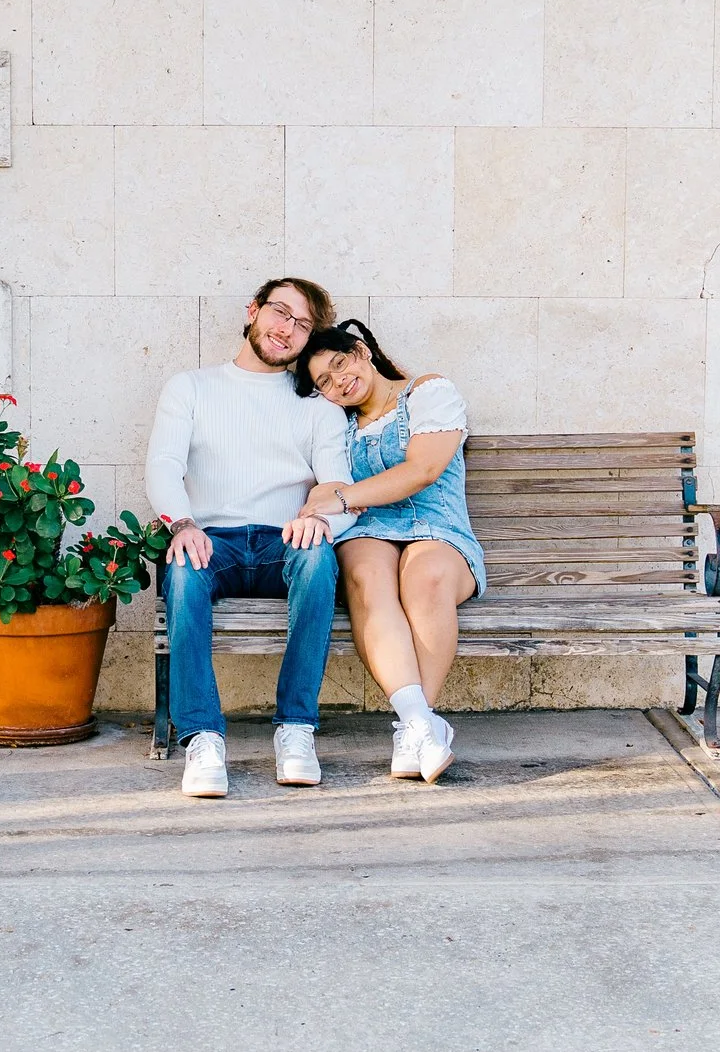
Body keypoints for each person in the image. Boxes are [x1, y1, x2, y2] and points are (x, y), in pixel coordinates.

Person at [144, 278, 353, 799]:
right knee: (184, 570)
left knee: (317, 559)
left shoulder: (317, 406)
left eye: (302, 324)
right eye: (280, 313)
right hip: (210, 541)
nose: (287, 329)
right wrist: (182, 523)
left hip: (285, 539)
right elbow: (164, 466)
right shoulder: (190, 387)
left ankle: (296, 730)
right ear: (253, 311)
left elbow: (340, 487)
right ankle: (203, 739)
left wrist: (321, 520)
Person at [293, 319, 485, 785]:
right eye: (325, 382)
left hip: (437, 526)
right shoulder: (337, 428)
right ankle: (421, 726)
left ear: (360, 352)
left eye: (339, 364)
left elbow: (422, 470)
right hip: (369, 527)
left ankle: (417, 724)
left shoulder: (428, 392)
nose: (339, 381)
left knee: (425, 579)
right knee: (365, 577)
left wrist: (339, 498)